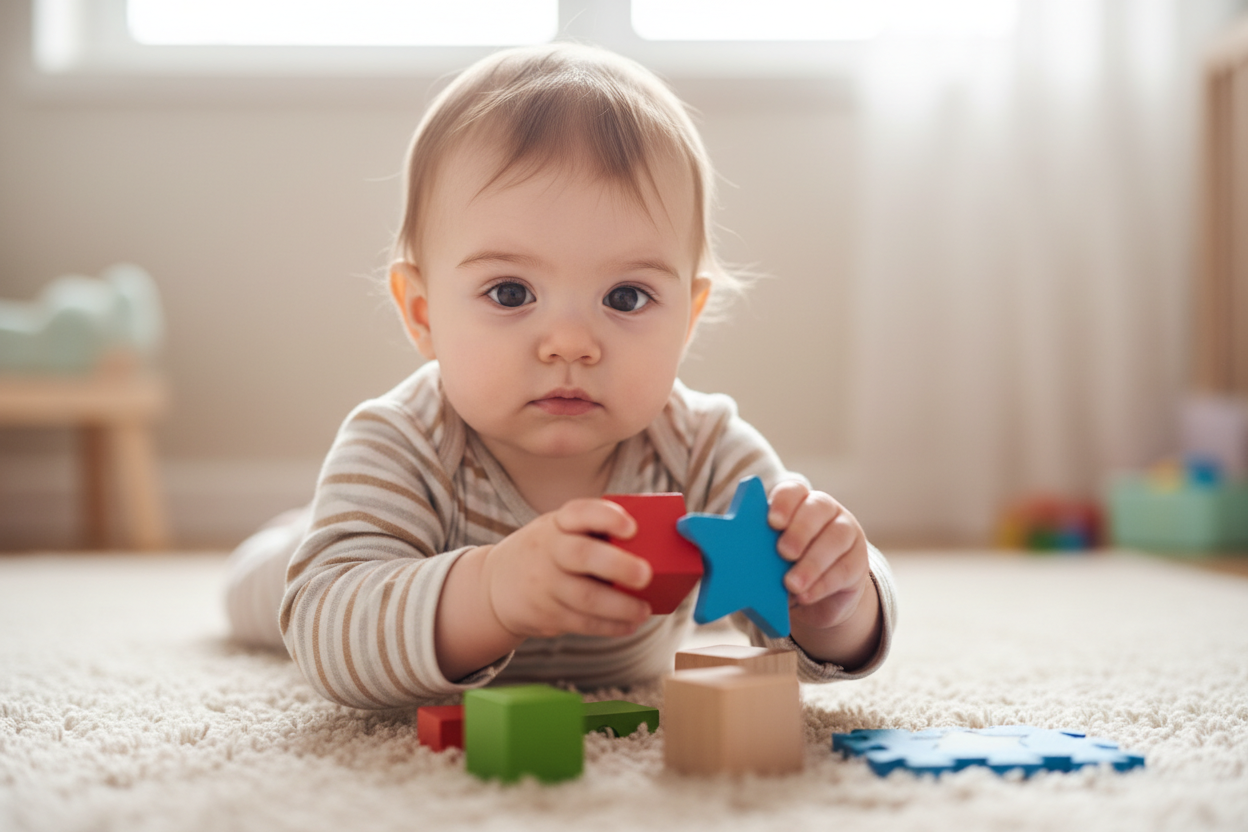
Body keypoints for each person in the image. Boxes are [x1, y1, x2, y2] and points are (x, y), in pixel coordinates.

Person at [225, 42, 898, 710]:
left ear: (687, 318)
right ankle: (301, 532)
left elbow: (801, 633)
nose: (571, 345)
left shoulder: (702, 446)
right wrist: (491, 588)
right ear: (423, 315)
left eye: (627, 297)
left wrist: (835, 599)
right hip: (354, 546)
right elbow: (327, 631)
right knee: (269, 587)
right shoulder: (400, 442)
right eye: (512, 293)